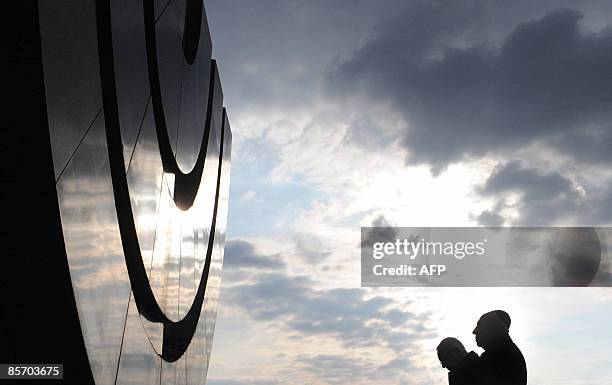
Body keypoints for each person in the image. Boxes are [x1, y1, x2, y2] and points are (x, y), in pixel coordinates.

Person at [473, 310, 526, 385]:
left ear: (494, 328)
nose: (474, 331)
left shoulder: (495, 358)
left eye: (480, 326)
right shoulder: (506, 354)